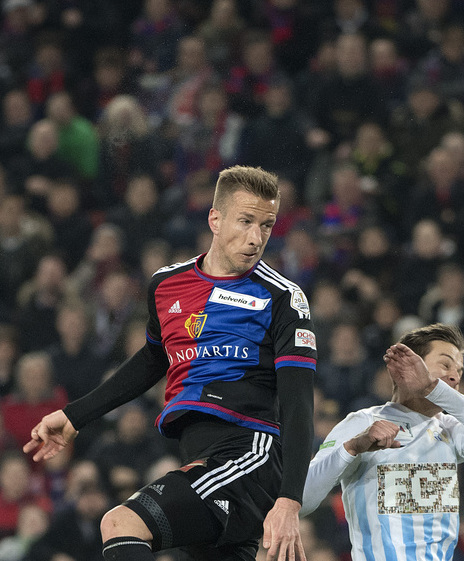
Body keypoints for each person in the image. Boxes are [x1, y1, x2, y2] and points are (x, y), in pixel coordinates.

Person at [22, 166, 317, 561]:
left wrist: (289, 502)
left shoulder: (283, 298)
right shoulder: (166, 285)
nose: (255, 238)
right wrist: (75, 416)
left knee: (121, 523)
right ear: (215, 218)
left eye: (266, 225)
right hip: (197, 455)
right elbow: (151, 359)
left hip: (248, 454)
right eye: (245, 221)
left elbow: (299, 405)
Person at [300, 323, 464, 561]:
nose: (455, 377)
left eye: (459, 370)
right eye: (445, 364)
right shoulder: (360, 424)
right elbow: (302, 500)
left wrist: (434, 388)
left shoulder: (449, 430)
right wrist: (352, 448)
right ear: (405, 366)